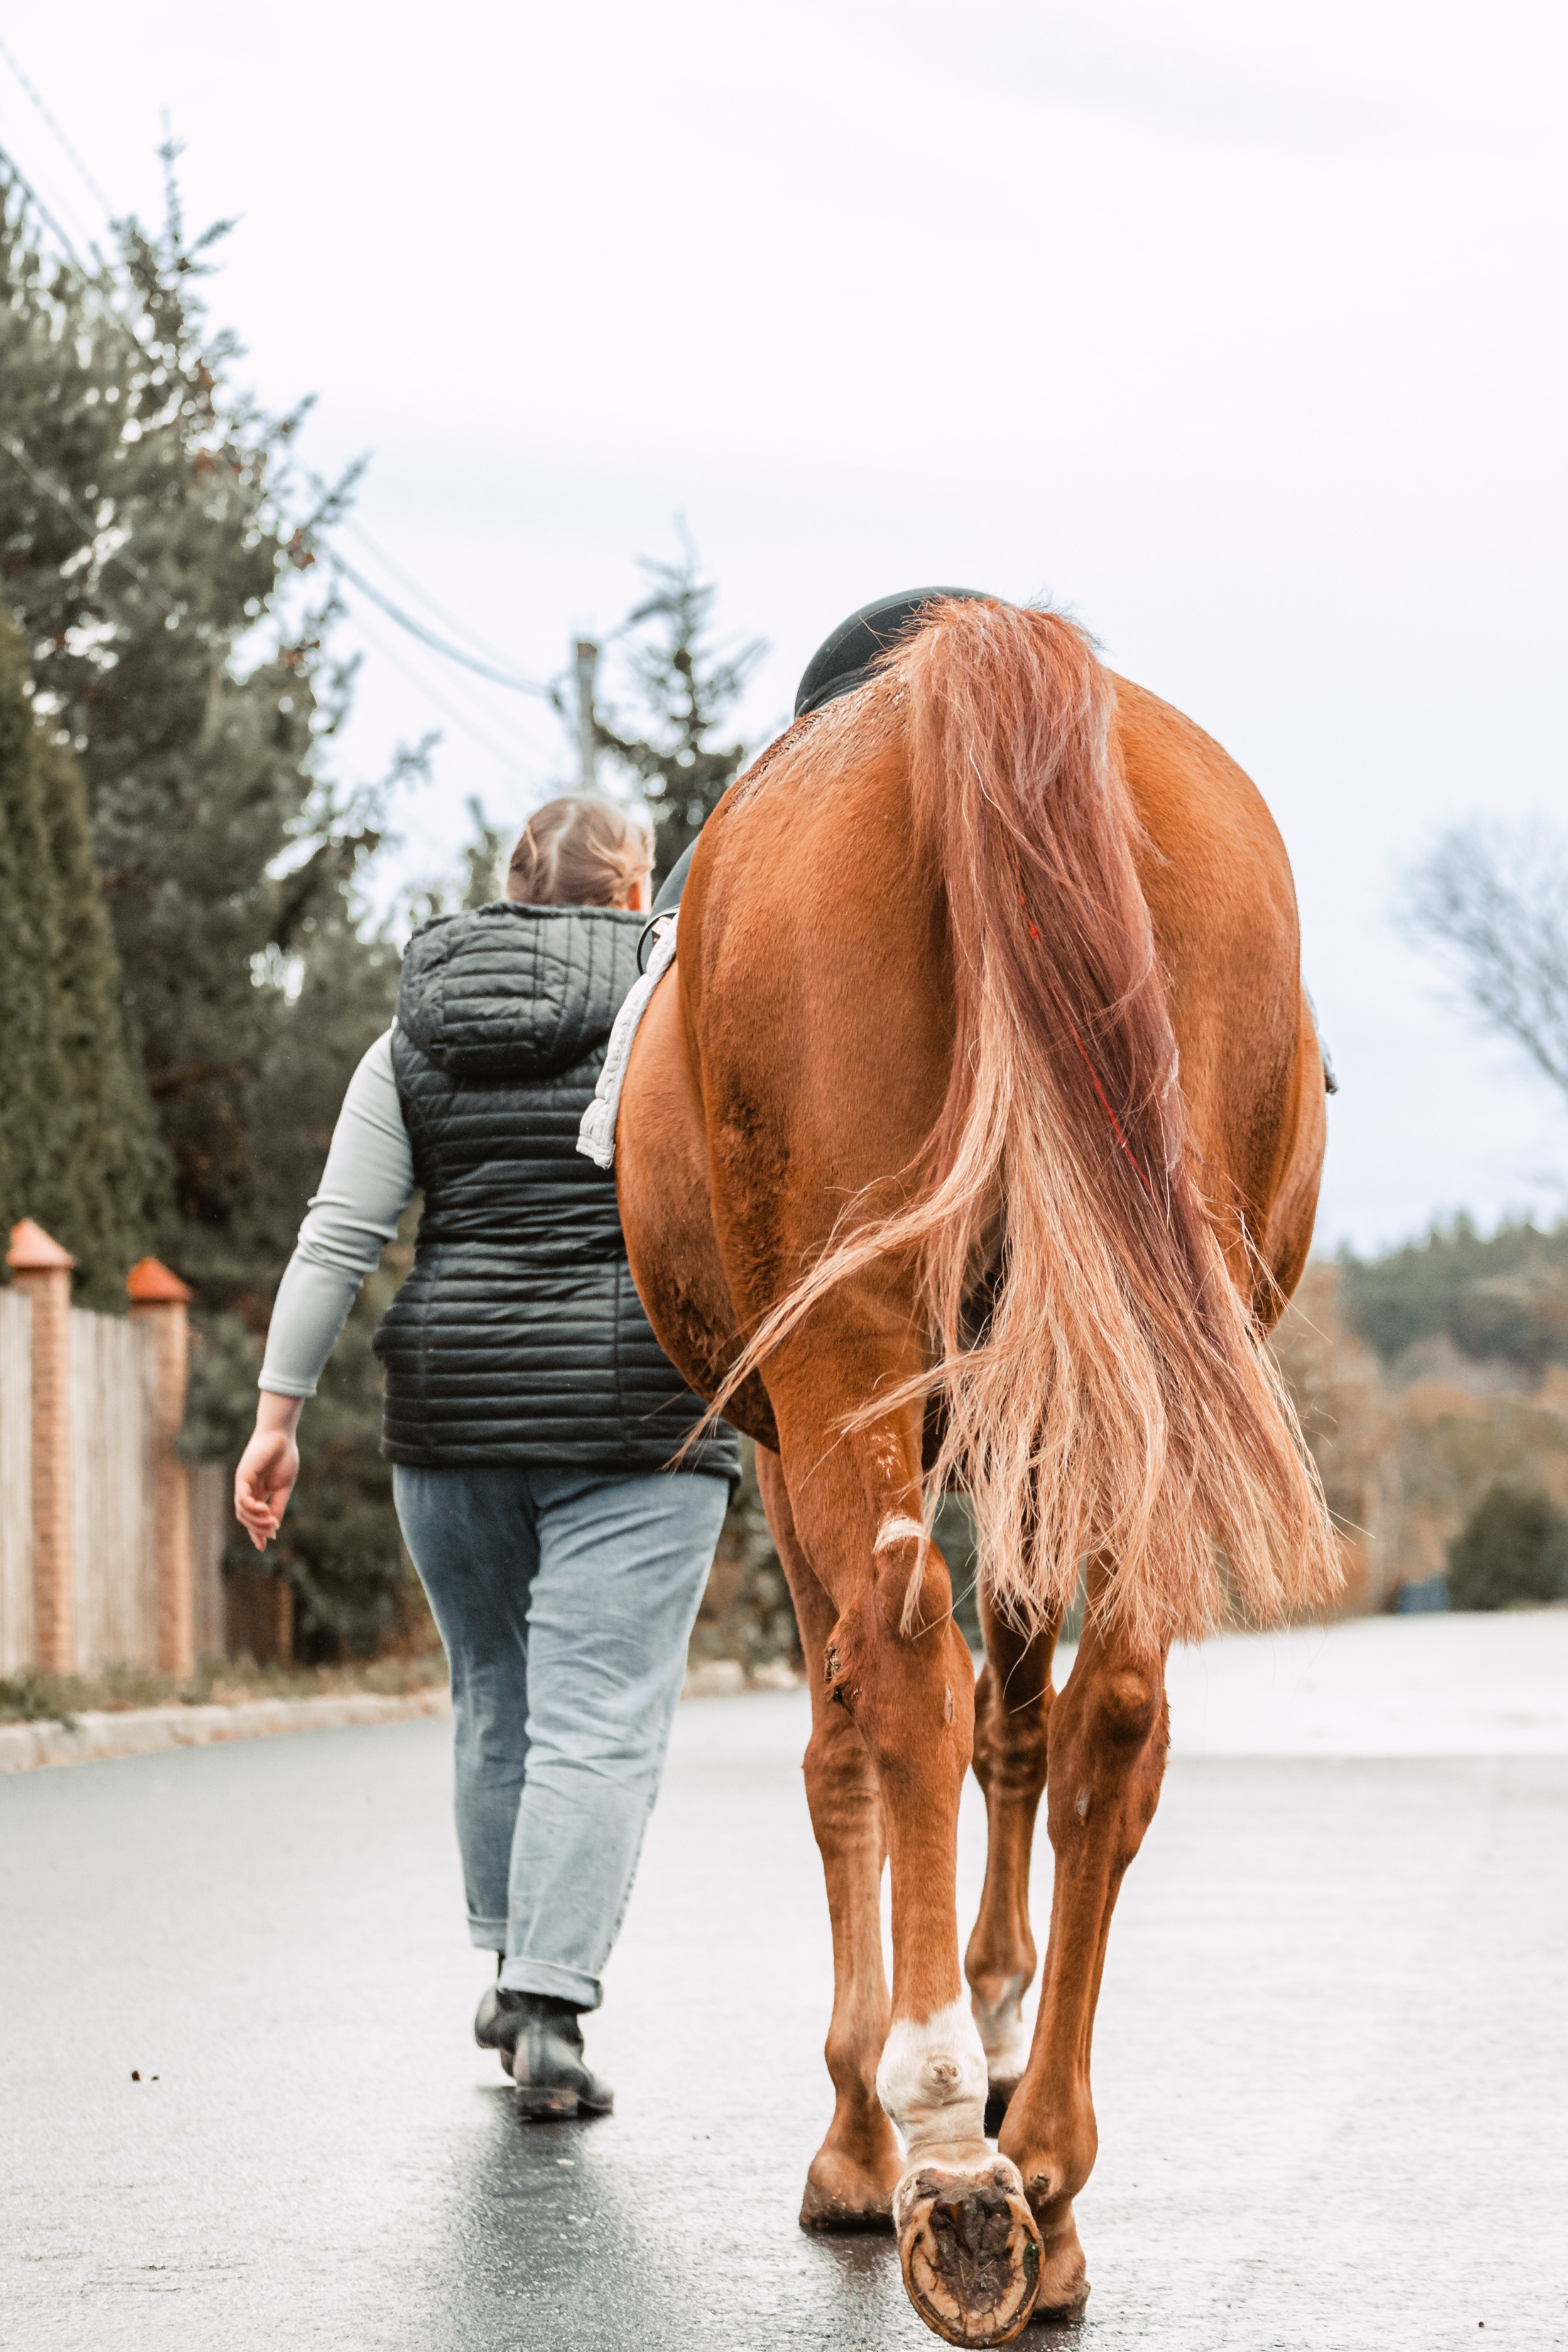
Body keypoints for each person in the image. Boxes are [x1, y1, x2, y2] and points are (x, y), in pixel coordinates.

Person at [233, 794, 739, 2118]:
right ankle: (546, 2007)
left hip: (447, 1414)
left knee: (496, 1696)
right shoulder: (681, 1009)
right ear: (637, 897)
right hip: (638, 1416)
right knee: (597, 1719)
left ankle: (509, 1963)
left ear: (512, 888)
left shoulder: (415, 1031)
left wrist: (276, 1418)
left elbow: (336, 1235)